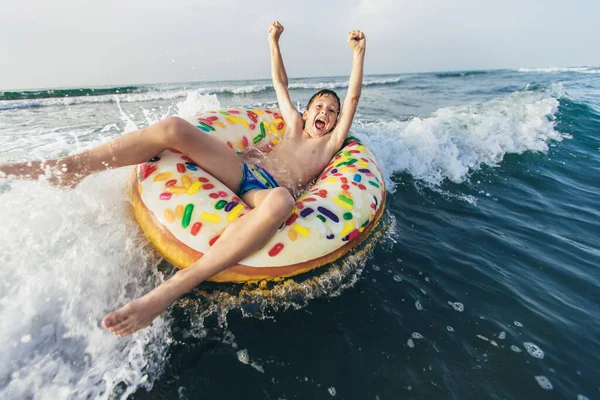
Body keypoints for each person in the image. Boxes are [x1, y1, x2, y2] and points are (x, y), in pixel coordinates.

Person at [0, 21, 366, 336]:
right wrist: (273, 42)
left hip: (264, 193)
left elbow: (351, 98)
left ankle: (172, 288)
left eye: (331, 112)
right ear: (307, 110)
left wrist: (357, 54)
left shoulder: (331, 143)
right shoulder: (293, 124)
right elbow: (280, 83)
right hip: (241, 169)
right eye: (319, 105)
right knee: (174, 128)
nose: (325, 112)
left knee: (283, 202)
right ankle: (71, 168)